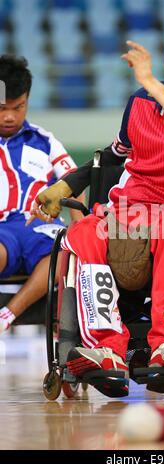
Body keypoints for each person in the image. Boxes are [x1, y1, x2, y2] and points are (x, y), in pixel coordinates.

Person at [29, 10, 164, 397]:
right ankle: (105, 351)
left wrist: (151, 84)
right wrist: (64, 186)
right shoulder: (139, 104)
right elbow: (112, 156)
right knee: (82, 235)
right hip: (128, 215)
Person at [0, 55, 85, 334]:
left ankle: (8, 314)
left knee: (64, 255)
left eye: (18, 106)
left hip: (42, 228)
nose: (10, 115)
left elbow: (75, 182)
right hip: (2, 232)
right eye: (2, 108)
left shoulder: (45, 141)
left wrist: (78, 228)